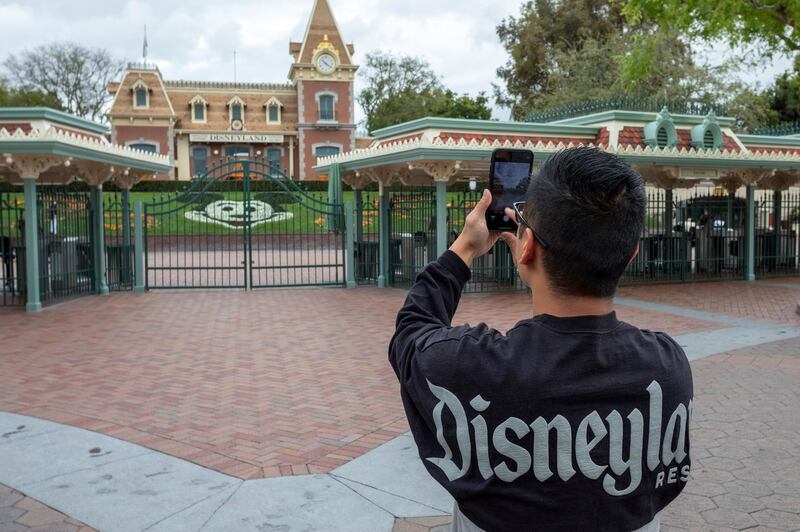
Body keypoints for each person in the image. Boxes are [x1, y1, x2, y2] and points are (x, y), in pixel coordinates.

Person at [389, 148, 693, 532]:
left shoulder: (470, 366)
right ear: (630, 254)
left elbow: (412, 330)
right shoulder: (667, 368)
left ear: (527, 245)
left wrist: (464, 248)